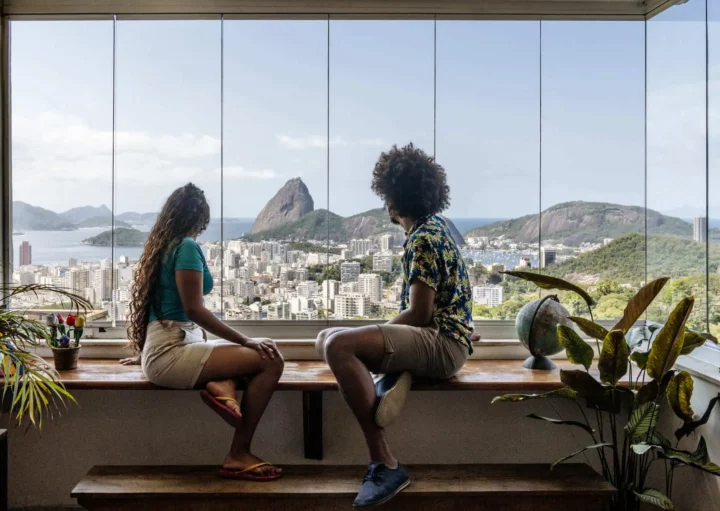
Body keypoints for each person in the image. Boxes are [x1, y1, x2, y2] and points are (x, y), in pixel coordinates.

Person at [316, 144, 474, 508]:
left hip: (440, 343)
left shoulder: (422, 238)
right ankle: (392, 375)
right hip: (444, 338)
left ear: (392, 198)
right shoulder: (436, 228)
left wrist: (378, 331)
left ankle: (384, 462)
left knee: (338, 346)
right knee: (325, 338)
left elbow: (419, 313)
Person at [121, 183, 284, 481]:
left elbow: (158, 310)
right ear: (199, 219)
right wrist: (246, 339)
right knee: (270, 358)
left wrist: (145, 352)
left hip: (168, 347)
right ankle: (239, 453)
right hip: (173, 350)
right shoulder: (186, 246)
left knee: (247, 354)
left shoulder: (160, 248)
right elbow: (194, 309)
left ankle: (222, 385)